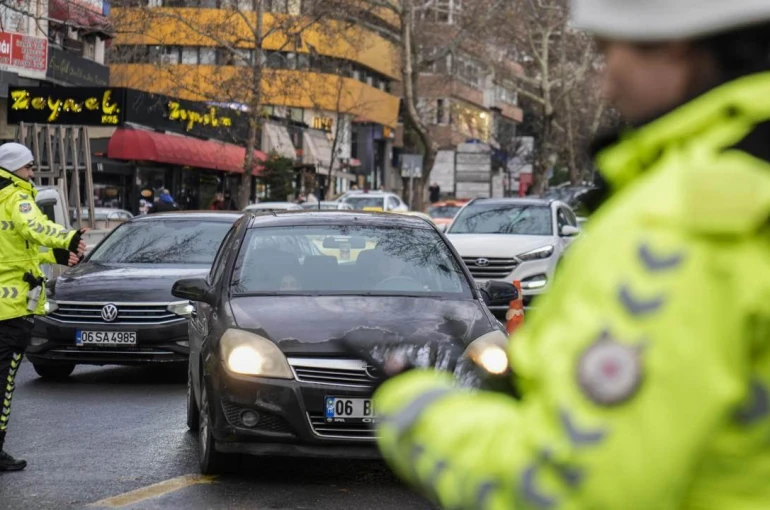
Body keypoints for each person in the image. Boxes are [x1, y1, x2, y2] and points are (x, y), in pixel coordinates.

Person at [370, 2, 770, 508]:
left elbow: (570, 489)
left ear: (675, 46)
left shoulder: (679, 223)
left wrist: (415, 409)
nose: (605, 86)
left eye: (608, 52)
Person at [0, 143, 86, 472]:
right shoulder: (17, 197)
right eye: (28, 166)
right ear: (13, 168)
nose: (32, 172)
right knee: (4, 384)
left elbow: (18, 249)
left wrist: (56, 255)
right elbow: (34, 228)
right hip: (12, 310)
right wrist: (67, 238)